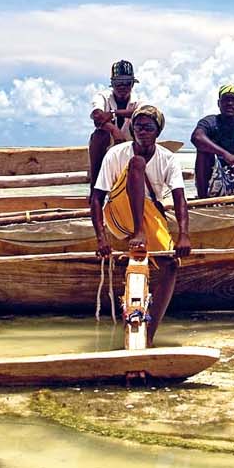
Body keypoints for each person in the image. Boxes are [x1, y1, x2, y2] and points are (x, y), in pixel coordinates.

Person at [89, 105, 192, 342]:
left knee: (170, 265)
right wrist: (101, 238)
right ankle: (138, 233)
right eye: (138, 127)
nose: (142, 132)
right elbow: (97, 198)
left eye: (148, 127)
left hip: (147, 214)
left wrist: (184, 235)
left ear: (158, 131)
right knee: (136, 163)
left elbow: (179, 198)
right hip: (118, 212)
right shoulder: (116, 154)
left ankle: (148, 336)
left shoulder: (168, 159)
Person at [87, 60, 141, 186]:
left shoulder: (139, 101)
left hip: (131, 150)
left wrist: (113, 113)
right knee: (100, 135)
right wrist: (114, 130)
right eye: (118, 83)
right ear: (112, 83)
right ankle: (95, 187)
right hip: (105, 150)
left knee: (141, 126)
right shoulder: (102, 97)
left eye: (127, 82)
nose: (122, 86)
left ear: (133, 84)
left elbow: (145, 113)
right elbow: (97, 115)